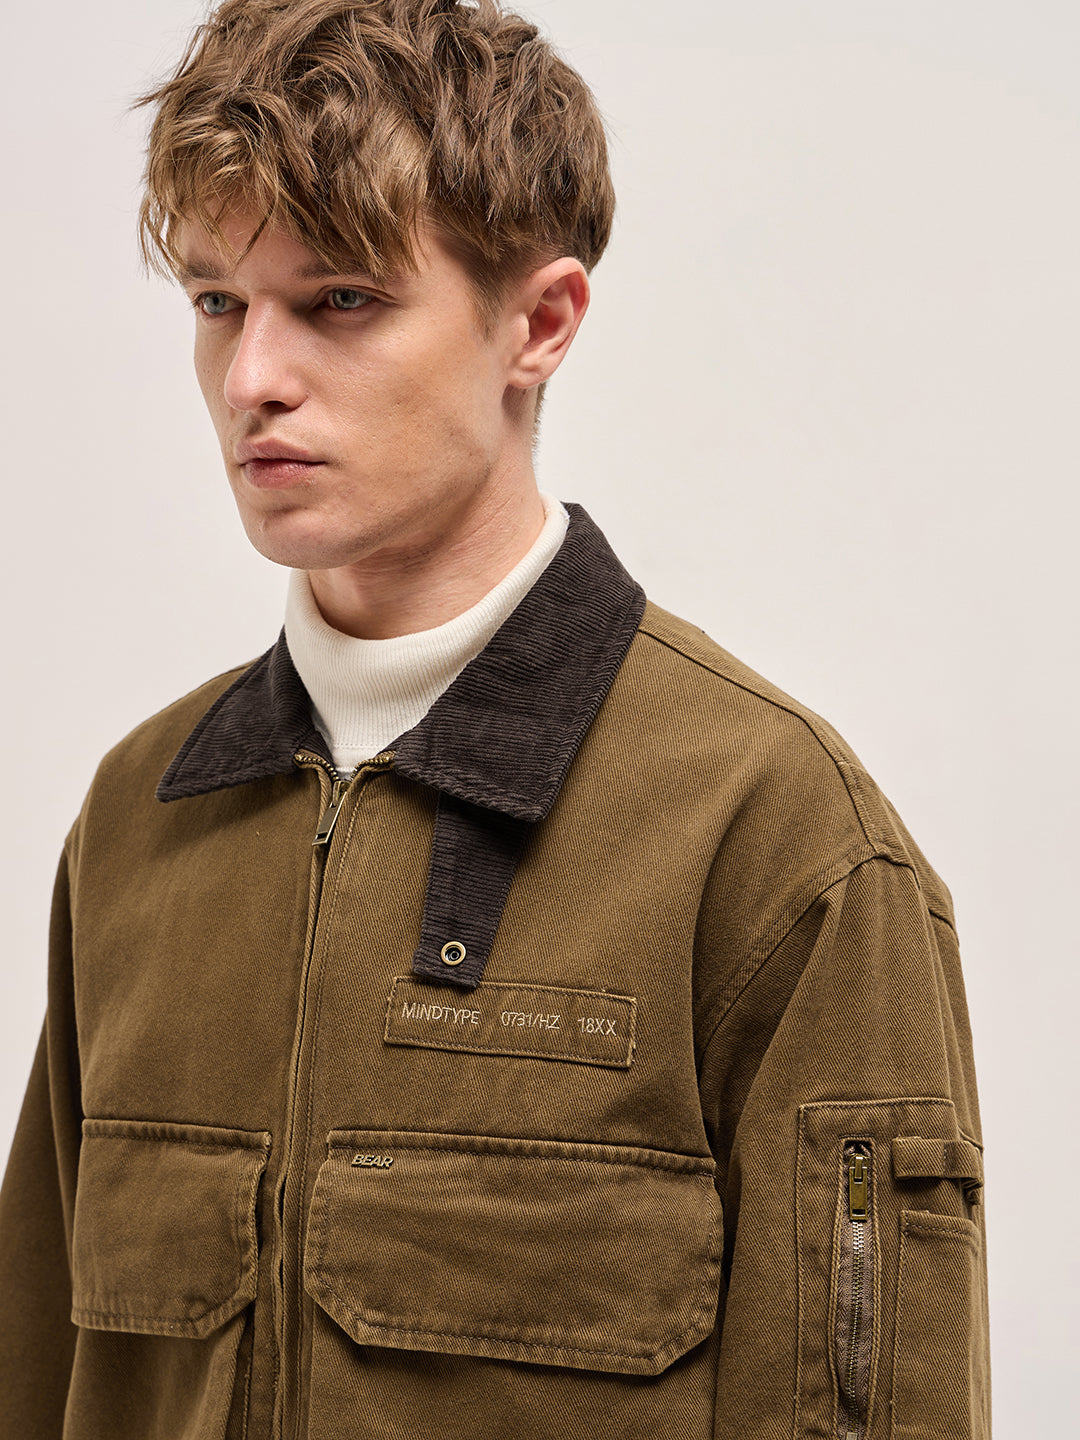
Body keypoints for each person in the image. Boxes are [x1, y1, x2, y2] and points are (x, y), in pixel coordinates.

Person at [0, 1, 990, 1436]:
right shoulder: (143, 813)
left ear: (540, 322)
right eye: (218, 302)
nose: (253, 378)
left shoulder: (775, 837)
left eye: (341, 299)